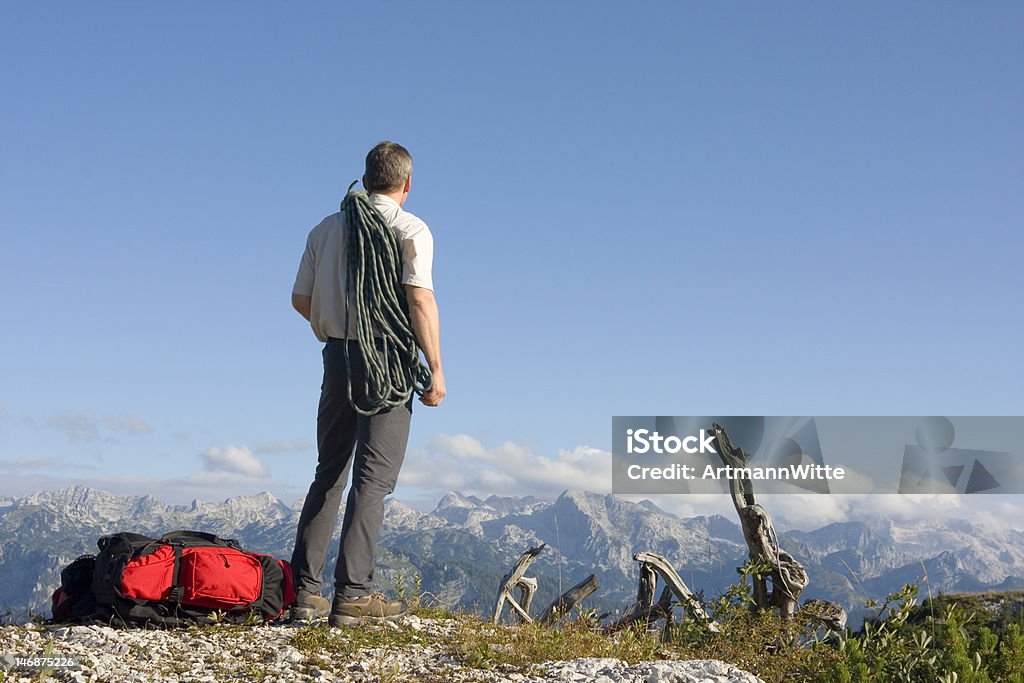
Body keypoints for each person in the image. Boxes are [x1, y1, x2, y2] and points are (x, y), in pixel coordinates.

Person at [288, 141, 446, 626]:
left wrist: (336, 326)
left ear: (366, 175)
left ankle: (304, 593)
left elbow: (300, 298)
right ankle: (354, 595)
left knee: (329, 470)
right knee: (373, 481)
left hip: (337, 358)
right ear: (407, 183)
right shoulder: (409, 227)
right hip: (387, 362)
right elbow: (419, 301)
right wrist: (436, 367)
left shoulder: (327, 227)